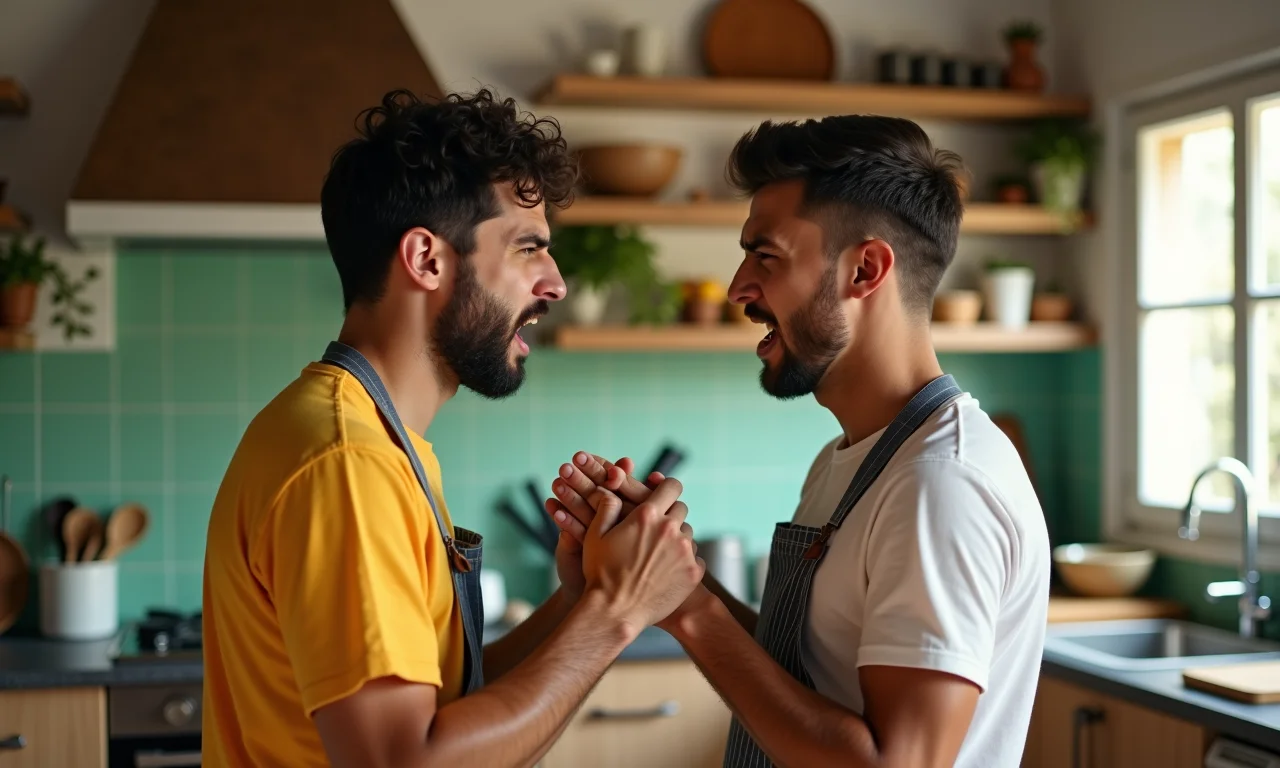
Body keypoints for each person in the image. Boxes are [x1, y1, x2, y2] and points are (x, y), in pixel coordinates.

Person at [201, 88, 704, 768]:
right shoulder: (348, 464)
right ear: (427, 259)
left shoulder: (380, 442)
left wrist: (584, 596)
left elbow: (450, 710)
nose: (554, 283)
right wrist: (616, 612)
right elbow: (406, 758)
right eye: (529, 248)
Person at [547, 115, 1051, 767]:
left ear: (866, 269)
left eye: (766, 256)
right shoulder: (854, 458)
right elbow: (806, 673)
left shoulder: (941, 482)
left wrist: (692, 608)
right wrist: (671, 566)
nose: (737, 289)